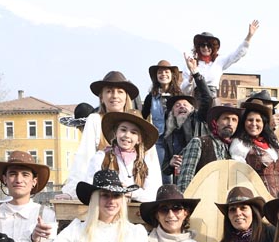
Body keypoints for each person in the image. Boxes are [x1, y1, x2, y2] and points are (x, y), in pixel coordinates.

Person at [62, 71, 159, 200]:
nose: (114, 96)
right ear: (102, 97)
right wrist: (72, 192)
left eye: (120, 91)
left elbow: (152, 163)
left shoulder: (140, 123)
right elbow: (84, 158)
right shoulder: (95, 120)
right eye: (109, 91)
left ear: (126, 97)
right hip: (106, 195)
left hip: (136, 197)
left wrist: (153, 196)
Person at [69, 110, 162, 203]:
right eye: (123, 130)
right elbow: (91, 189)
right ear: (116, 132)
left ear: (139, 139)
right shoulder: (100, 158)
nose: (127, 135)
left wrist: (131, 192)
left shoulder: (146, 163)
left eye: (133, 132)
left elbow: (153, 195)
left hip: (136, 215)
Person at [159, 56, 213, 182]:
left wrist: (195, 72)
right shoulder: (169, 135)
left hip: (203, 177)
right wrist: (171, 163)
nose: (181, 106)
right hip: (182, 182)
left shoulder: (199, 119)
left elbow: (207, 98)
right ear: (172, 113)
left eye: (185, 105)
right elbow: (165, 169)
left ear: (193, 109)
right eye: (177, 106)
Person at [183, 22, 259, 95]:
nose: (206, 48)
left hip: (212, 100)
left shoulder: (219, 61)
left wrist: (249, 36)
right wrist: (191, 77)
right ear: (198, 47)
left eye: (209, 45)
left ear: (213, 47)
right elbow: (185, 90)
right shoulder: (191, 63)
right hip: (197, 101)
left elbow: (237, 54)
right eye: (203, 45)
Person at [175, 105, 241, 190]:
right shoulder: (199, 142)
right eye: (226, 118)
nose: (230, 123)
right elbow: (185, 179)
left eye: (234, 120)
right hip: (201, 198)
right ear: (216, 122)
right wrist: (187, 202)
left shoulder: (234, 149)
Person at [230, 102, 279, 196]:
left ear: (264, 123)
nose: (254, 124)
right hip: (257, 197)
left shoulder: (272, 143)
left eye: (258, 120)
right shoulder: (239, 144)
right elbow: (239, 176)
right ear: (244, 122)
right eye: (250, 120)